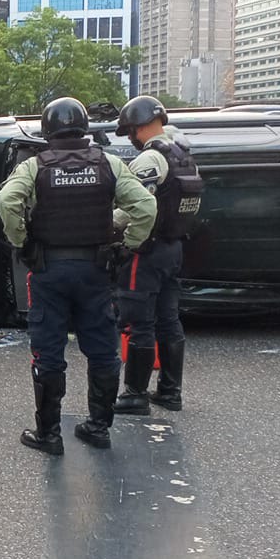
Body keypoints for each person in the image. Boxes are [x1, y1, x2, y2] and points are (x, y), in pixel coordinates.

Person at [0, 97, 157, 453]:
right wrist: (128, 245)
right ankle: (98, 427)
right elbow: (146, 206)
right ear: (84, 127)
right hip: (95, 271)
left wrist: (21, 241)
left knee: (48, 351)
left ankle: (49, 435)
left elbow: (7, 202)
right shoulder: (109, 163)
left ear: (47, 129)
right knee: (102, 350)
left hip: (48, 271)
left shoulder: (34, 167)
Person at [111, 96, 205, 418]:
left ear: (138, 127)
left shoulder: (151, 160)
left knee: (139, 321)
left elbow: (134, 206)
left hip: (146, 251)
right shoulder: (184, 155)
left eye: (130, 132)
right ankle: (169, 392)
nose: (132, 139)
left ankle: (134, 395)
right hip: (174, 248)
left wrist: (106, 223)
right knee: (169, 320)